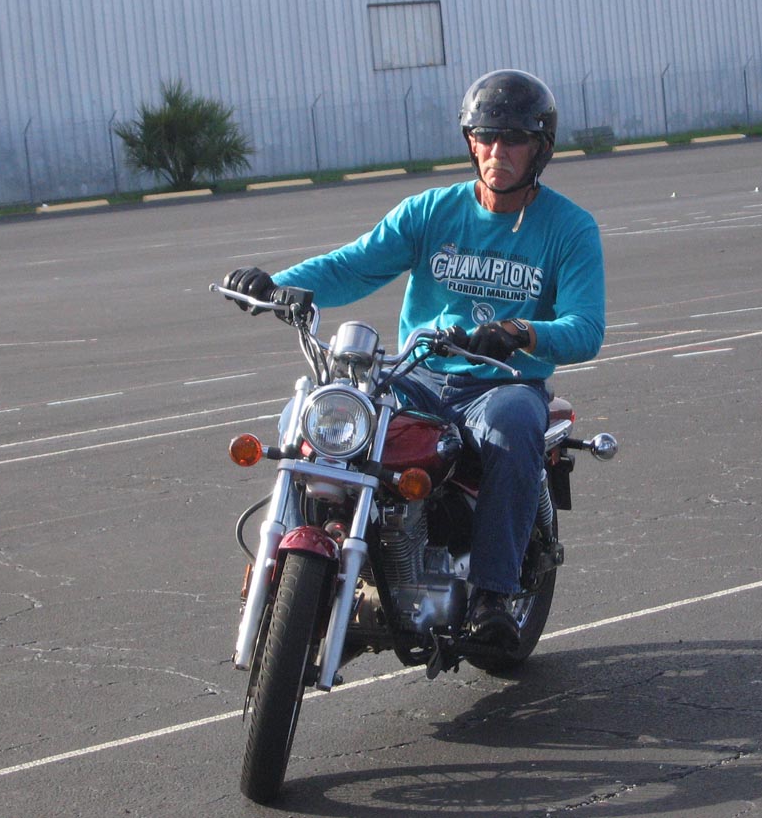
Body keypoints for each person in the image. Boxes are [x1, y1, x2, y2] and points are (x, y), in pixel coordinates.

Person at [223, 69, 606, 646]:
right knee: (307, 415)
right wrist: (276, 285)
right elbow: (354, 265)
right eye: (485, 136)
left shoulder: (570, 229)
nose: (497, 151)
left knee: (514, 426)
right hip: (412, 376)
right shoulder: (432, 211)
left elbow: (585, 328)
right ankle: (290, 565)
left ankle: (493, 593)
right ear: (470, 141)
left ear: (540, 148)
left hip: (500, 384)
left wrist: (519, 332)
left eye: (514, 139)